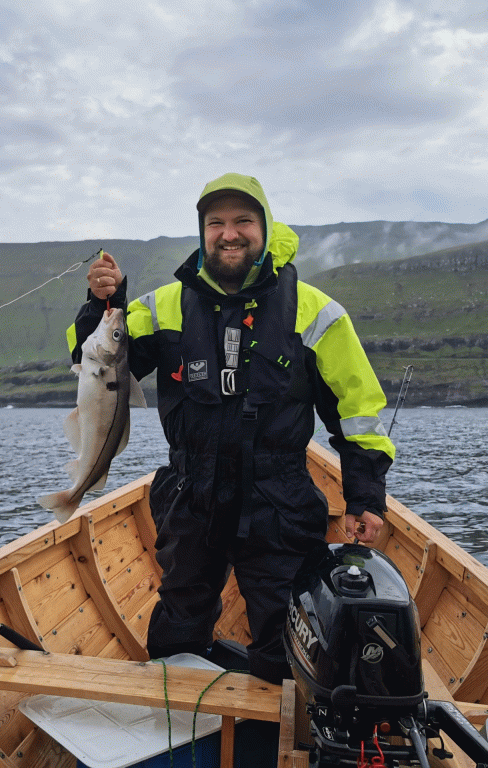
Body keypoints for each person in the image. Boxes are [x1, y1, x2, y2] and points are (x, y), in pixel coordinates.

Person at [70, 173, 395, 683]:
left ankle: (270, 733)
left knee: (283, 632)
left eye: (243, 221)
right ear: (202, 233)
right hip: (190, 494)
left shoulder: (315, 312)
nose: (229, 233)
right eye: (216, 222)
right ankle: (179, 733)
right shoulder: (164, 306)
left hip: (278, 499)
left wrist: (365, 495)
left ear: (264, 228)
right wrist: (101, 304)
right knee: (179, 623)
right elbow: (94, 357)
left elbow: (357, 410)